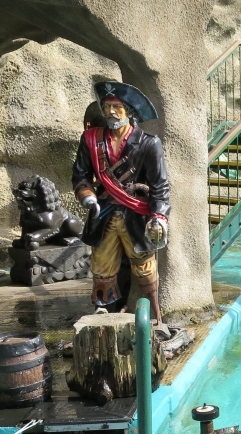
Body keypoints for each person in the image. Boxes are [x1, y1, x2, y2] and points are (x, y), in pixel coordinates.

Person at [71, 81, 170, 333]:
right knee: (102, 268)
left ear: (129, 111)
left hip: (136, 215)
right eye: (107, 106)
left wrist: (158, 217)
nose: (112, 112)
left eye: (117, 107)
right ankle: (104, 318)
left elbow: (160, 186)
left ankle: (155, 319)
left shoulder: (149, 143)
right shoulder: (91, 139)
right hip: (102, 214)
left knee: (145, 270)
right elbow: (81, 176)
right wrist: (88, 197)